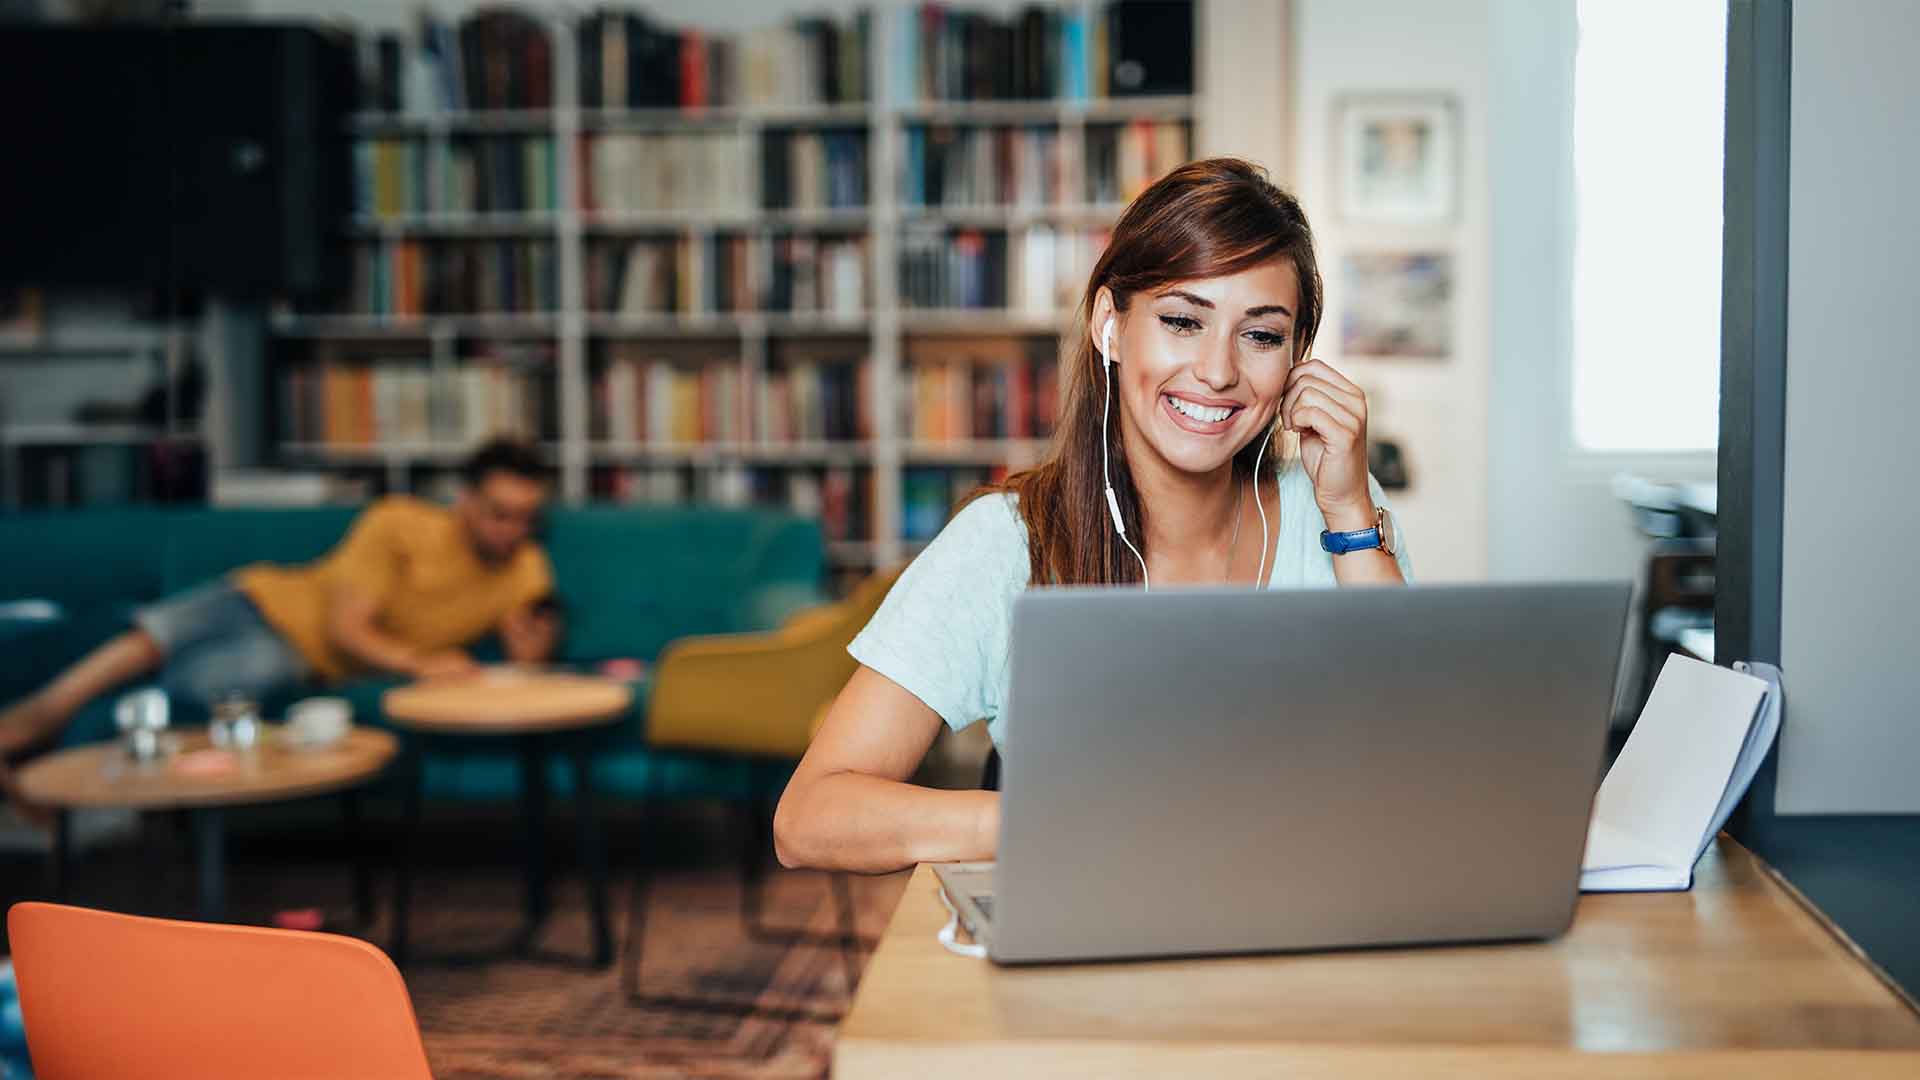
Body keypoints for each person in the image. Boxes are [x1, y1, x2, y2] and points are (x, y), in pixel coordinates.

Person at [774, 158, 1414, 875]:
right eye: (1181, 321)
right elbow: (810, 818)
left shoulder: (1339, 516)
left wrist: (1352, 510)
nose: (1217, 372)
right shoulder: (1009, 541)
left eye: (1260, 335)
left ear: (1296, 357)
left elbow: (1416, 770)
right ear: (1111, 326)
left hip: (1308, 921)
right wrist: (1077, 818)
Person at [0, 438, 562, 803]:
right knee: (144, 642)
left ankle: (51, 751)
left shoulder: (525, 566)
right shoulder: (400, 523)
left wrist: (532, 648)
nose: (511, 530)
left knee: (215, 678)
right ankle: (38, 720)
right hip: (260, 600)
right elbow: (346, 629)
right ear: (465, 501)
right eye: (499, 514)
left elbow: (527, 658)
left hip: (292, 660)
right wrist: (422, 662)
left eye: (525, 518)